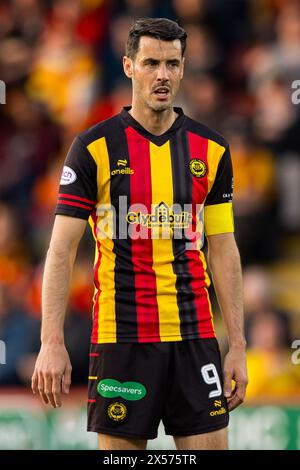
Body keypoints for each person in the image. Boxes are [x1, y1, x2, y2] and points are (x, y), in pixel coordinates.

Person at [31, 18, 248, 451]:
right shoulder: (93, 148)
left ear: (184, 67)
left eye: (172, 63)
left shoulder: (213, 150)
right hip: (121, 338)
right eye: (151, 62)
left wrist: (238, 345)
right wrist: (51, 341)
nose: (162, 75)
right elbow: (60, 251)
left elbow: (223, 249)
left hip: (195, 336)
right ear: (129, 66)